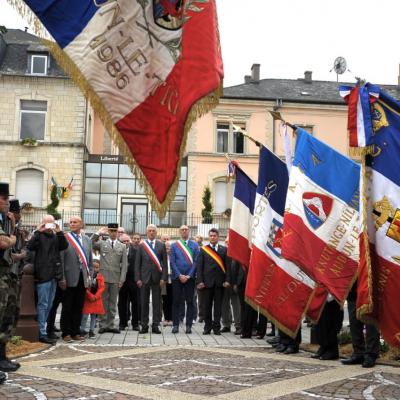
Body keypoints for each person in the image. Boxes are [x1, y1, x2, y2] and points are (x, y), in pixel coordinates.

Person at [27, 215, 68, 344]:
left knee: (49, 305)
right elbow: (30, 246)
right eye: (47, 224)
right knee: (43, 305)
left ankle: (42, 330)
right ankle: (41, 333)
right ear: (43, 224)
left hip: (53, 276)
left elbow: (64, 246)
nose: (50, 226)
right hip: (43, 275)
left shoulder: (56, 237)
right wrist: (39, 231)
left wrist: (59, 231)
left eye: (52, 223)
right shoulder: (39, 236)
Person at [59, 216, 93, 343]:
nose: (72, 224)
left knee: (79, 306)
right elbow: (61, 260)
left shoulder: (87, 240)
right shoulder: (65, 238)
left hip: (82, 278)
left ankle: (75, 332)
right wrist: (61, 278)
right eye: (71, 222)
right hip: (68, 278)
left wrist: (90, 276)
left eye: (75, 222)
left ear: (81, 224)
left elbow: (89, 261)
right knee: (67, 306)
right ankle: (66, 333)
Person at [92, 223, 128, 334]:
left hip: (115, 279)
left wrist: (122, 280)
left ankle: (111, 325)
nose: (113, 233)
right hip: (103, 278)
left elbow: (125, 265)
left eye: (115, 231)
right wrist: (98, 233)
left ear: (118, 232)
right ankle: (103, 325)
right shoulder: (102, 244)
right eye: (111, 231)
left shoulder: (122, 246)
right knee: (103, 302)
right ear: (108, 232)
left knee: (112, 303)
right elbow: (91, 243)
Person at [0, 183, 19, 378]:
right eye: (4, 199)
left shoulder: (5, 220)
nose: (7, 203)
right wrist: (11, 237)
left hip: (5, 276)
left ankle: (2, 358)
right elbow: (4, 242)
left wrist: (12, 228)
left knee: (6, 317)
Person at [196, 228, 230, 335]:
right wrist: (200, 281)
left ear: (218, 237)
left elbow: (228, 267)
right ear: (208, 237)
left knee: (218, 307)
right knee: (207, 306)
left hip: (220, 283)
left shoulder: (224, 250)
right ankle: (207, 327)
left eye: (214, 235)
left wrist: (227, 280)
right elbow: (199, 267)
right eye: (211, 235)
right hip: (207, 283)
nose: (212, 237)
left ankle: (216, 328)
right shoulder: (203, 249)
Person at [135, 224, 167, 334]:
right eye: (150, 231)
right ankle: (144, 325)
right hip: (144, 278)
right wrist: (138, 278)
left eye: (153, 231)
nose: (152, 232)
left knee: (157, 303)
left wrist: (164, 278)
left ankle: (155, 325)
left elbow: (164, 264)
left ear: (156, 232)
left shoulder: (161, 245)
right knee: (144, 302)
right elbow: (137, 264)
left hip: (157, 279)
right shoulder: (141, 246)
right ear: (146, 232)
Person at [342, 282, 380, 368]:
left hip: (369, 289)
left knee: (370, 323)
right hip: (353, 291)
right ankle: (358, 353)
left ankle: (371, 354)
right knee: (354, 324)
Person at [170, 225, 199, 334]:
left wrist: (189, 275)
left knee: (190, 302)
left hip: (190, 279)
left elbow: (196, 262)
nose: (184, 231)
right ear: (179, 232)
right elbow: (172, 262)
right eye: (182, 229)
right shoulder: (174, 246)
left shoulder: (195, 245)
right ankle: (175, 325)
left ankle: (188, 326)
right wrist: (179, 275)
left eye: (186, 230)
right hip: (177, 278)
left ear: (189, 231)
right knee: (176, 301)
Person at [118, 233, 141, 331]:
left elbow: (140, 265)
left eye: (127, 241)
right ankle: (122, 323)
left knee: (135, 303)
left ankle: (135, 324)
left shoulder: (136, 251)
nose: (126, 243)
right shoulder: (117, 251)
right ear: (120, 242)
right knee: (122, 302)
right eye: (124, 241)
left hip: (133, 281)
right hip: (122, 281)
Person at [231, 259, 257, 338]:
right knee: (243, 307)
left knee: (253, 307)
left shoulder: (256, 249)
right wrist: (235, 283)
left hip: (253, 282)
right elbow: (234, 268)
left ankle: (253, 328)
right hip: (241, 282)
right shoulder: (240, 251)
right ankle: (243, 328)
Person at [312, 295, 343, 360]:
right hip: (323, 296)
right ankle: (324, 346)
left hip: (334, 297)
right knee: (321, 323)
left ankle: (332, 351)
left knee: (331, 324)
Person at [221, 238, 241, 334]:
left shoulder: (237, 254)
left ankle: (238, 325)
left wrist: (236, 283)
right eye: (226, 242)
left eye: (230, 242)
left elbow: (239, 270)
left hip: (234, 284)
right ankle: (226, 324)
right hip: (224, 283)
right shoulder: (222, 252)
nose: (228, 244)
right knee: (224, 304)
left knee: (236, 305)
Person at [81, 259, 105, 339]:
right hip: (88, 300)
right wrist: (90, 296)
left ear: (99, 268)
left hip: (96, 300)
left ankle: (91, 331)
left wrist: (95, 296)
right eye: (93, 267)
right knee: (84, 316)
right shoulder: (88, 276)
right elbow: (86, 288)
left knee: (94, 316)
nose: (95, 269)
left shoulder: (100, 276)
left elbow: (101, 288)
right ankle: (82, 330)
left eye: (97, 267)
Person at [161, 241, 173, 327]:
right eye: (166, 248)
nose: (167, 249)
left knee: (172, 300)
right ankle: (166, 318)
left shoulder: (174, 257)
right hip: (164, 282)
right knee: (165, 300)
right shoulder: (161, 258)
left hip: (172, 281)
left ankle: (171, 319)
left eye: (169, 248)